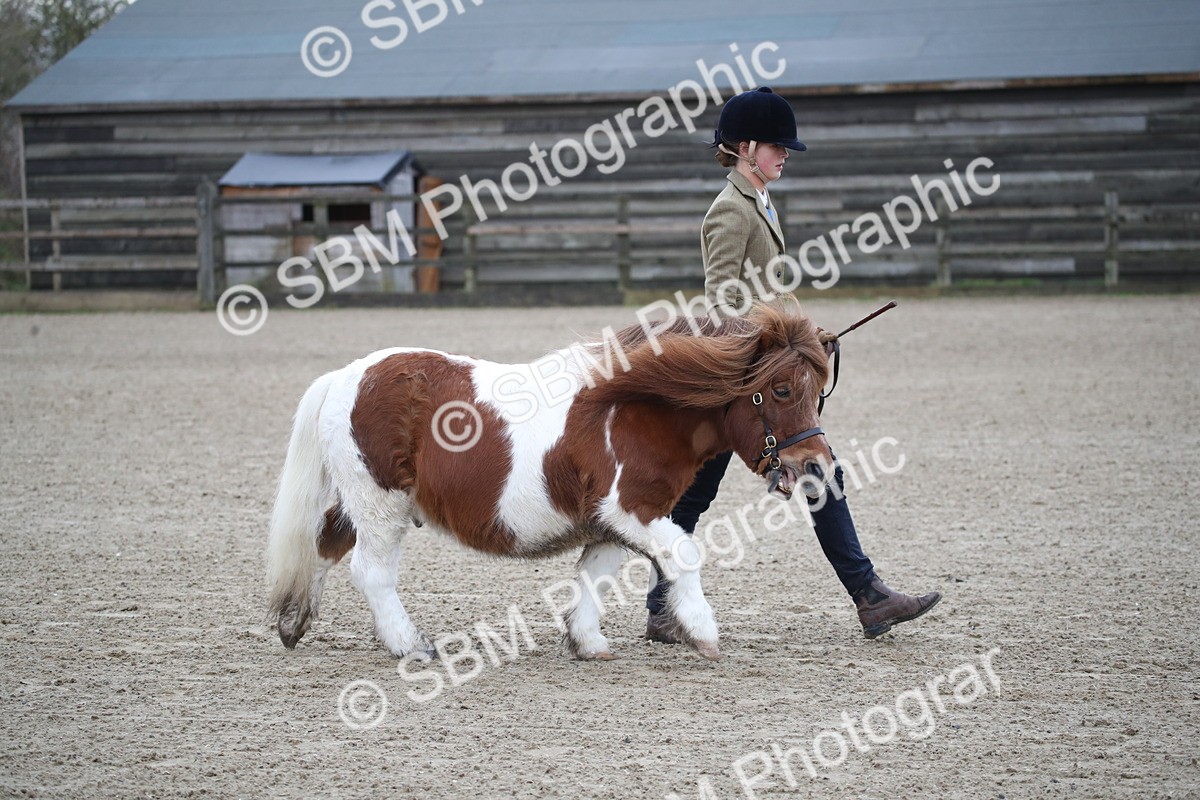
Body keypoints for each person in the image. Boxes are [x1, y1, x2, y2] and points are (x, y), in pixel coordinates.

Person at [645, 87, 940, 641]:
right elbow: (723, 305)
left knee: (797, 478)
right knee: (706, 493)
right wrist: (777, 348)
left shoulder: (759, 201)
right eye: (776, 146)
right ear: (745, 148)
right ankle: (665, 607)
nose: (785, 154)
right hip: (742, 383)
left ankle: (867, 596)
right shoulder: (730, 211)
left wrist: (805, 335)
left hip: (764, 374)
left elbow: (771, 294)